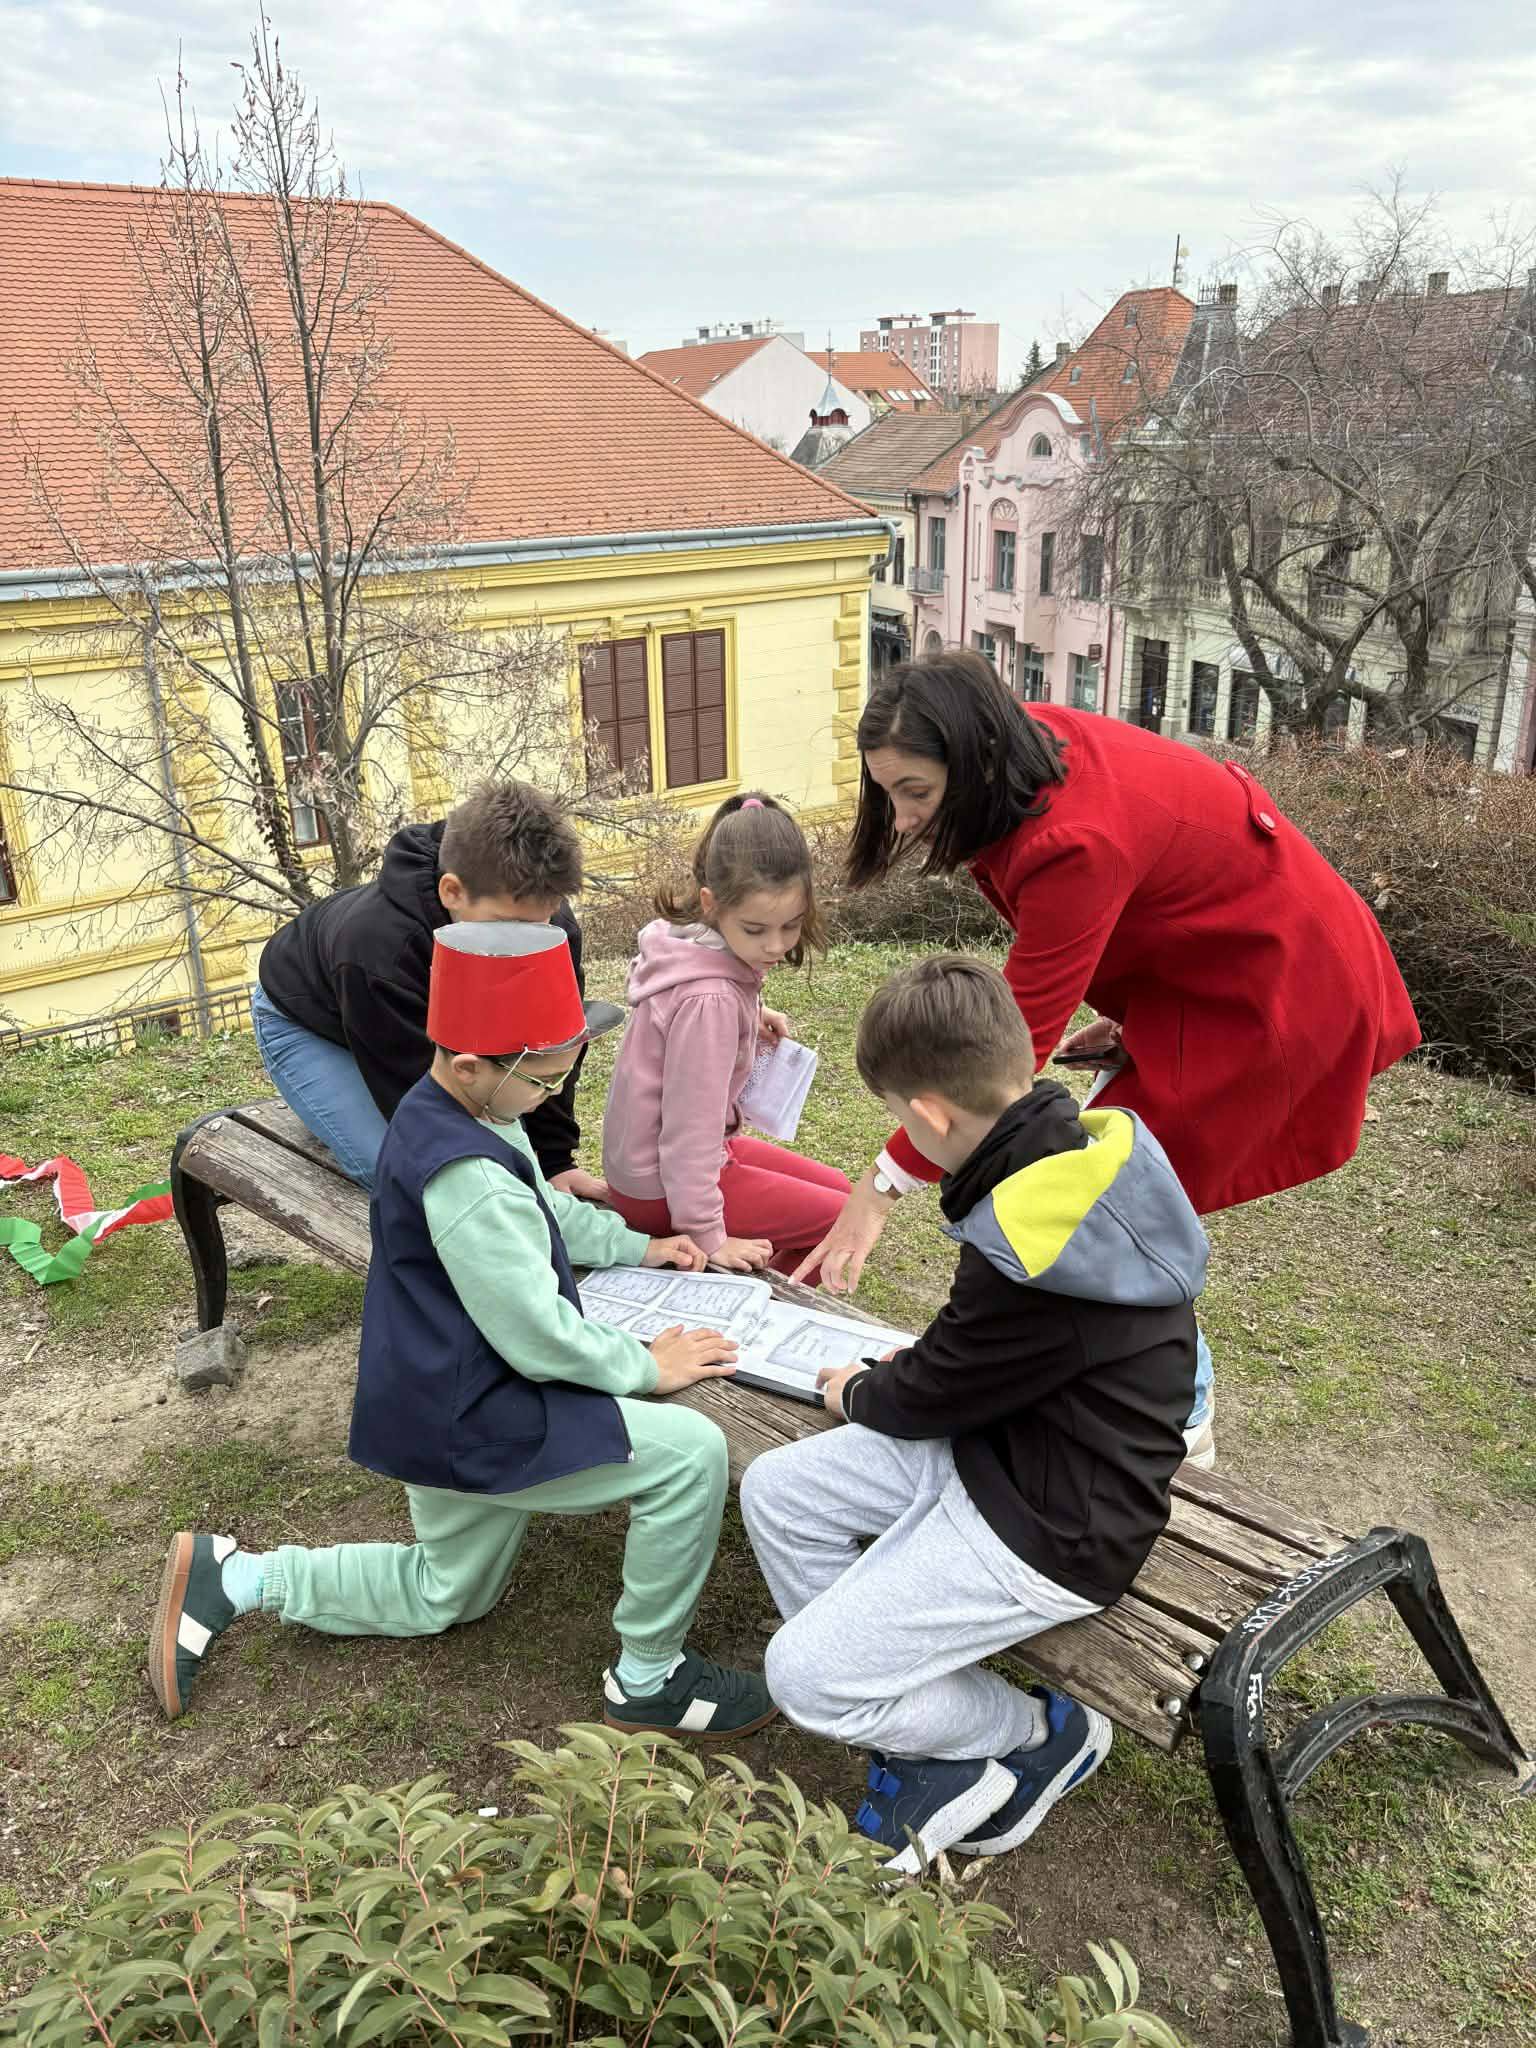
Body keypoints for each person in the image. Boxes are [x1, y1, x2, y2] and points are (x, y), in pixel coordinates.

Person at [150, 921, 776, 1742]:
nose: (553, 1095)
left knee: (445, 1592)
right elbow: (538, 1336)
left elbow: (541, 1208)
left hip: (423, 1390)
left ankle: (235, 1578)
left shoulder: (455, 1108)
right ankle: (649, 1677)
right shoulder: (469, 1174)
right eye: (544, 1081)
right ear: (475, 1064)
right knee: (689, 1455)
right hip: (479, 1405)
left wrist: (637, 1246)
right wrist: (646, 1368)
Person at [794, 651, 1420, 1462]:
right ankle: (1095, 1381)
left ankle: (1183, 1415)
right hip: (1220, 971)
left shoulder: (1071, 841)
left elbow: (1001, 1056)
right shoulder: (1024, 748)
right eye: (888, 793)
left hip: (1281, 989)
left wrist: (882, 1186)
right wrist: (1135, 1018)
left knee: (1119, 1204)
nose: (903, 818)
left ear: (976, 759)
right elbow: (1169, 894)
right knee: (1104, 1195)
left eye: (916, 791)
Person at [742, 955, 1207, 1872]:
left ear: (929, 1116)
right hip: (1003, 1450)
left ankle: (1036, 1736)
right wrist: (910, 1376)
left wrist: (857, 1391)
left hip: (1058, 1524)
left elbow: (935, 1390)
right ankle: (915, 1733)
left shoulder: (1027, 1233)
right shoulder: (1069, 1156)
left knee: (802, 1677)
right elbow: (987, 1360)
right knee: (779, 1490)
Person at [253, 781, 606, 1198]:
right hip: (307, 1020)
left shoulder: (544, 921)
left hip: (386, 1014)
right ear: (452, 891)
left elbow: (551, 1052)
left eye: (541, 923)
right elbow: (421, 1106)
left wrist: (554, 1161)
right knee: (415, 1177)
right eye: (508, 925)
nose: (527, 942)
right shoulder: (380, 949)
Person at [602, 793, 851, 1280]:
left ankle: (755, 1281)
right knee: (843, 1219)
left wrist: (750, 1013)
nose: (775, 945)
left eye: (791, 925)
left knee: (841, 1188)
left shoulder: (686, 943)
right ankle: (755, 1303)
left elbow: (685, 1017)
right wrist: (708, 1236)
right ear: (711, 904)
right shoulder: (710, 1001)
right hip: (662, 1188)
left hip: (653, 1166)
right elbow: (688, 1132)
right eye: (756, 929)